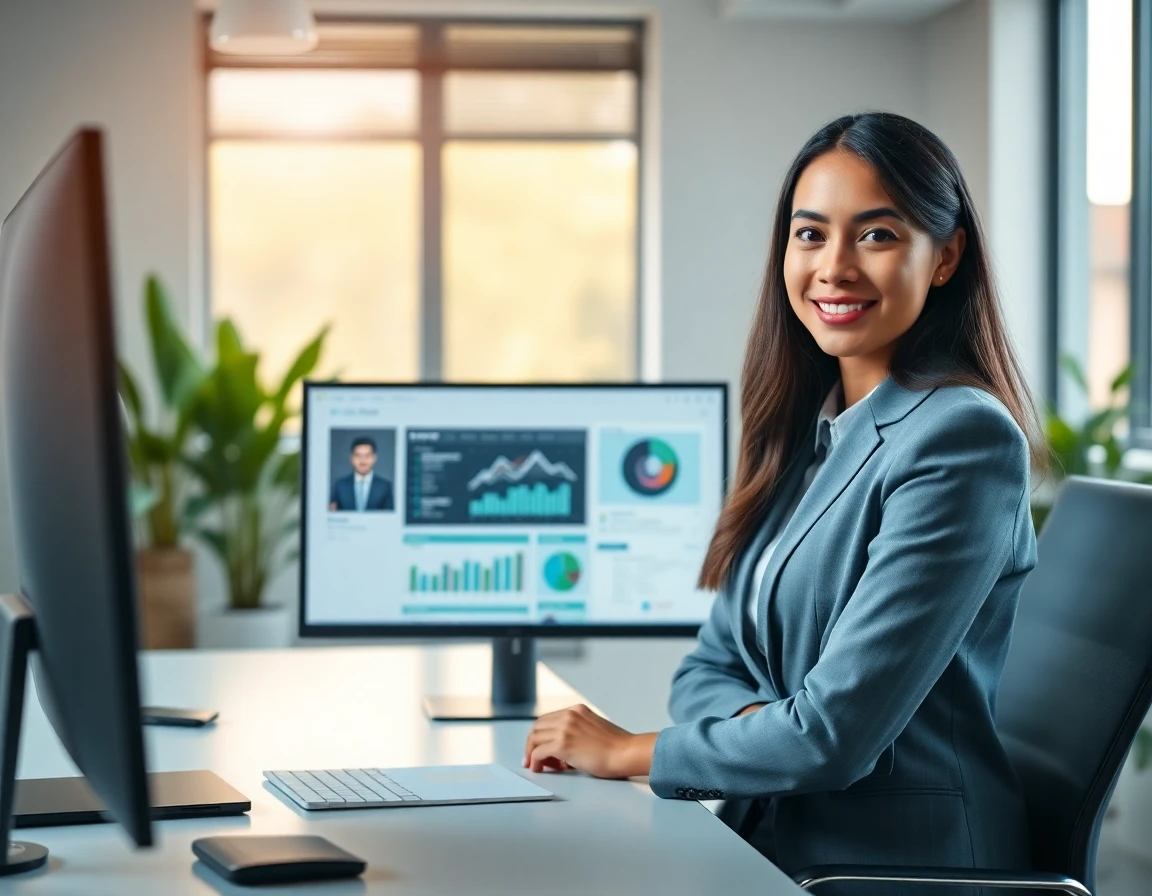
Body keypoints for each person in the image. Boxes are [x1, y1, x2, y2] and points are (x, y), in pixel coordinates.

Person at [523, 112, 1045, 890]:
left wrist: (629, 749)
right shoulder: (813, 431)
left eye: (876, 235)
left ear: (946, 257)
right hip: (777, 837)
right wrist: (771, 730)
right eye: (810, 235)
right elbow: (711, 663)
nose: (834, 267)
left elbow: (829, 738)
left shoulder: (961, 440)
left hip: (896, 867)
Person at [329, 436, 394, 511]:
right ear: (352, 458)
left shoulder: (384, 486)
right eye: (358, 456)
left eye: (367, 456)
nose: (363, 460)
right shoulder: (340, 485)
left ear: (374, 458)